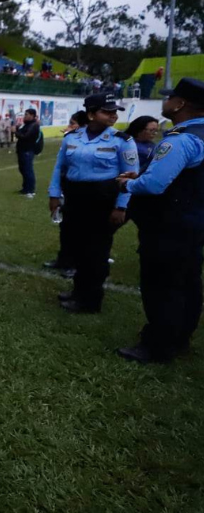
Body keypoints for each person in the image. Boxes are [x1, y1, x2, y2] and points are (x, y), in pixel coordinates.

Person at [118, 78, 204, 363]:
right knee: (188, 283)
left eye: (170, 98)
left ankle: (157, 345)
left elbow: (155, 185)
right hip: (193, 222)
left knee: (161, 286)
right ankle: (180, 338)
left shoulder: (182, 139)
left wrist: (128, 185)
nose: (165, 101)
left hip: (169, 225)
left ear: (180, 104)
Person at [48, 94, 137, 314]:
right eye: (107, 111)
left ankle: (91, 299)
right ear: (90, 114)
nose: (113, 115)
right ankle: (79, 291)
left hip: (102, 200)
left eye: (114, 112)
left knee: (96, 251)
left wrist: (121, 206)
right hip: (75, 198)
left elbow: (131, 177)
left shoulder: (122, 140)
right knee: (76, 246)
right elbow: (60, 168)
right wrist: (54, 195)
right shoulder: (72, 137)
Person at [44, 111, 89, 275]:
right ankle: (63, 259)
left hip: (83, 192)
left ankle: (75, 264)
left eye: (72, 123)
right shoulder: (70, 139)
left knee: (80, 231)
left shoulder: (88, 144)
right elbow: (60, 166)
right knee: (66, 227)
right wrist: (56, 192)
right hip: (67, 188)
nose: (68, 127)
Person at [16, 108, 41, 197]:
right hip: (22, 150)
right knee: (23, 169)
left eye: (26, 114)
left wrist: (16, 132)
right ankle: (25, 188)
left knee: (28, 170)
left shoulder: (33, 125)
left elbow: (25, 136)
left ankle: (30, 190)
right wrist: (17, 128)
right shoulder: (27, 125)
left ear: (32, 116)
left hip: (27, 150)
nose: (25, 116)